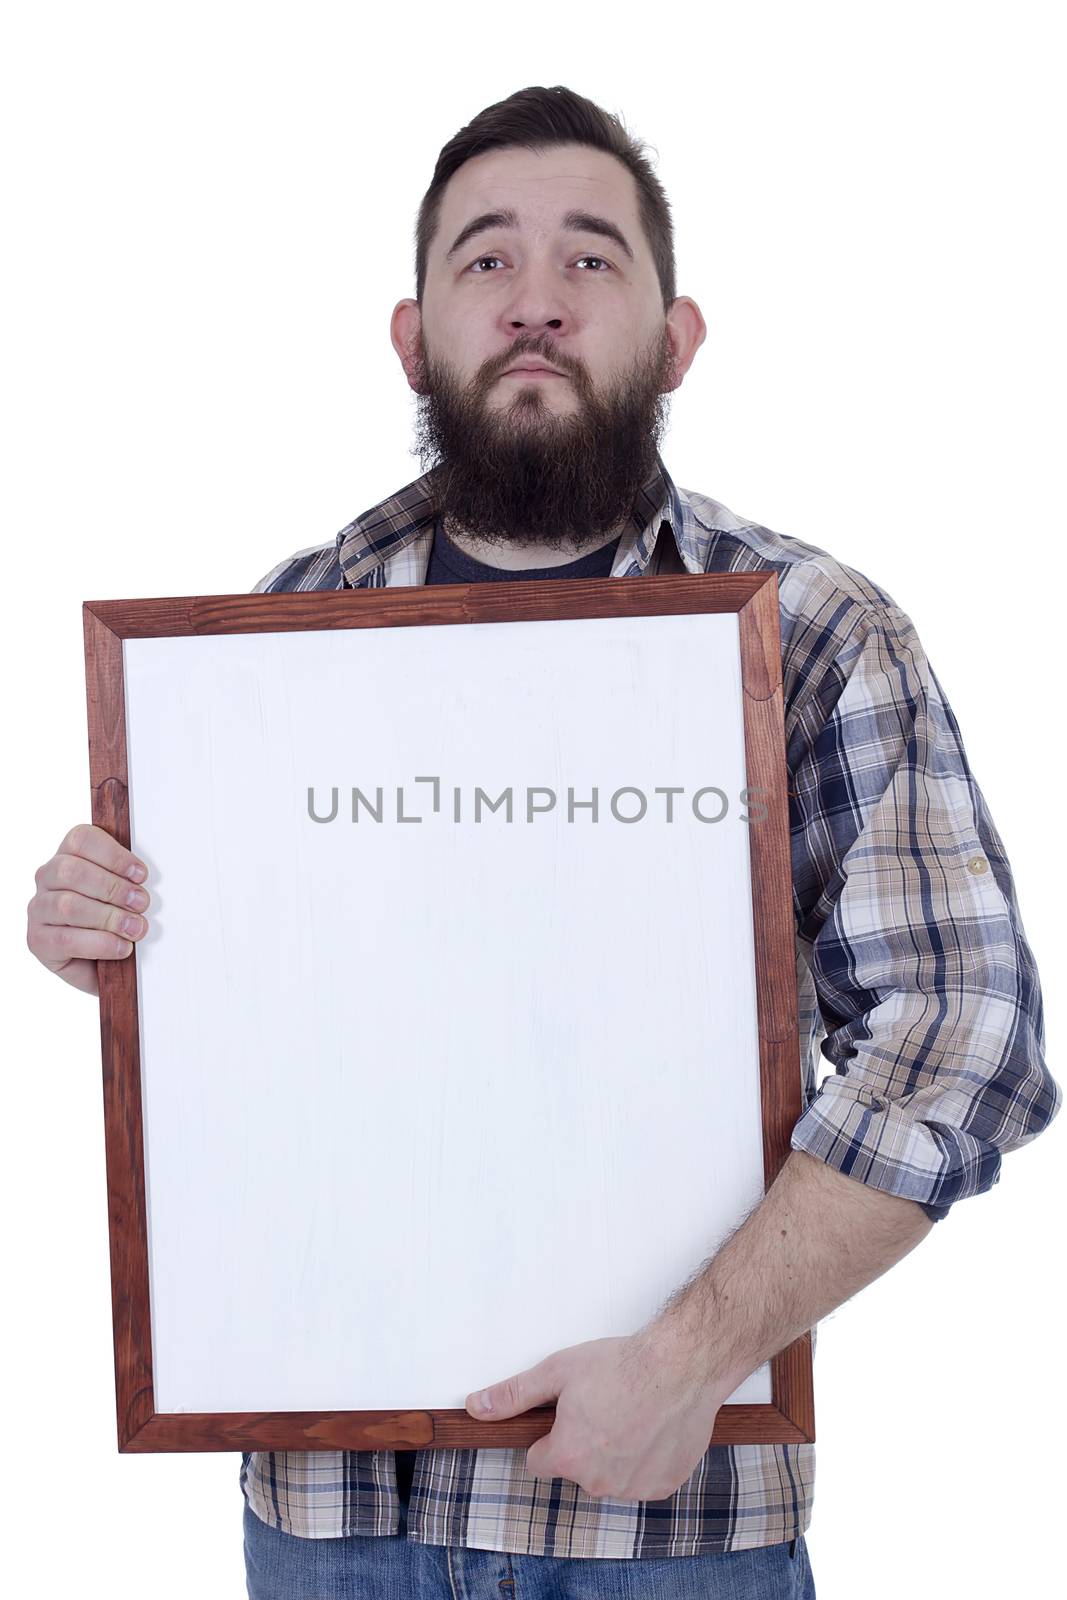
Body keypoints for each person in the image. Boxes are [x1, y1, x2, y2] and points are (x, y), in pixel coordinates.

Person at [26, 84, 1060, 1600]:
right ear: (412, 334)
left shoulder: (816, 634)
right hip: (331, 1525)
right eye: (486, 259)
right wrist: (118, 937)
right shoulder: (273, 640)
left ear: (676, 334)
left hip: (665, 1517)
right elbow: (267, 1019)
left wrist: (690, 1360)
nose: (536, 302)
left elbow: (965, 1040)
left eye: (591, 260)